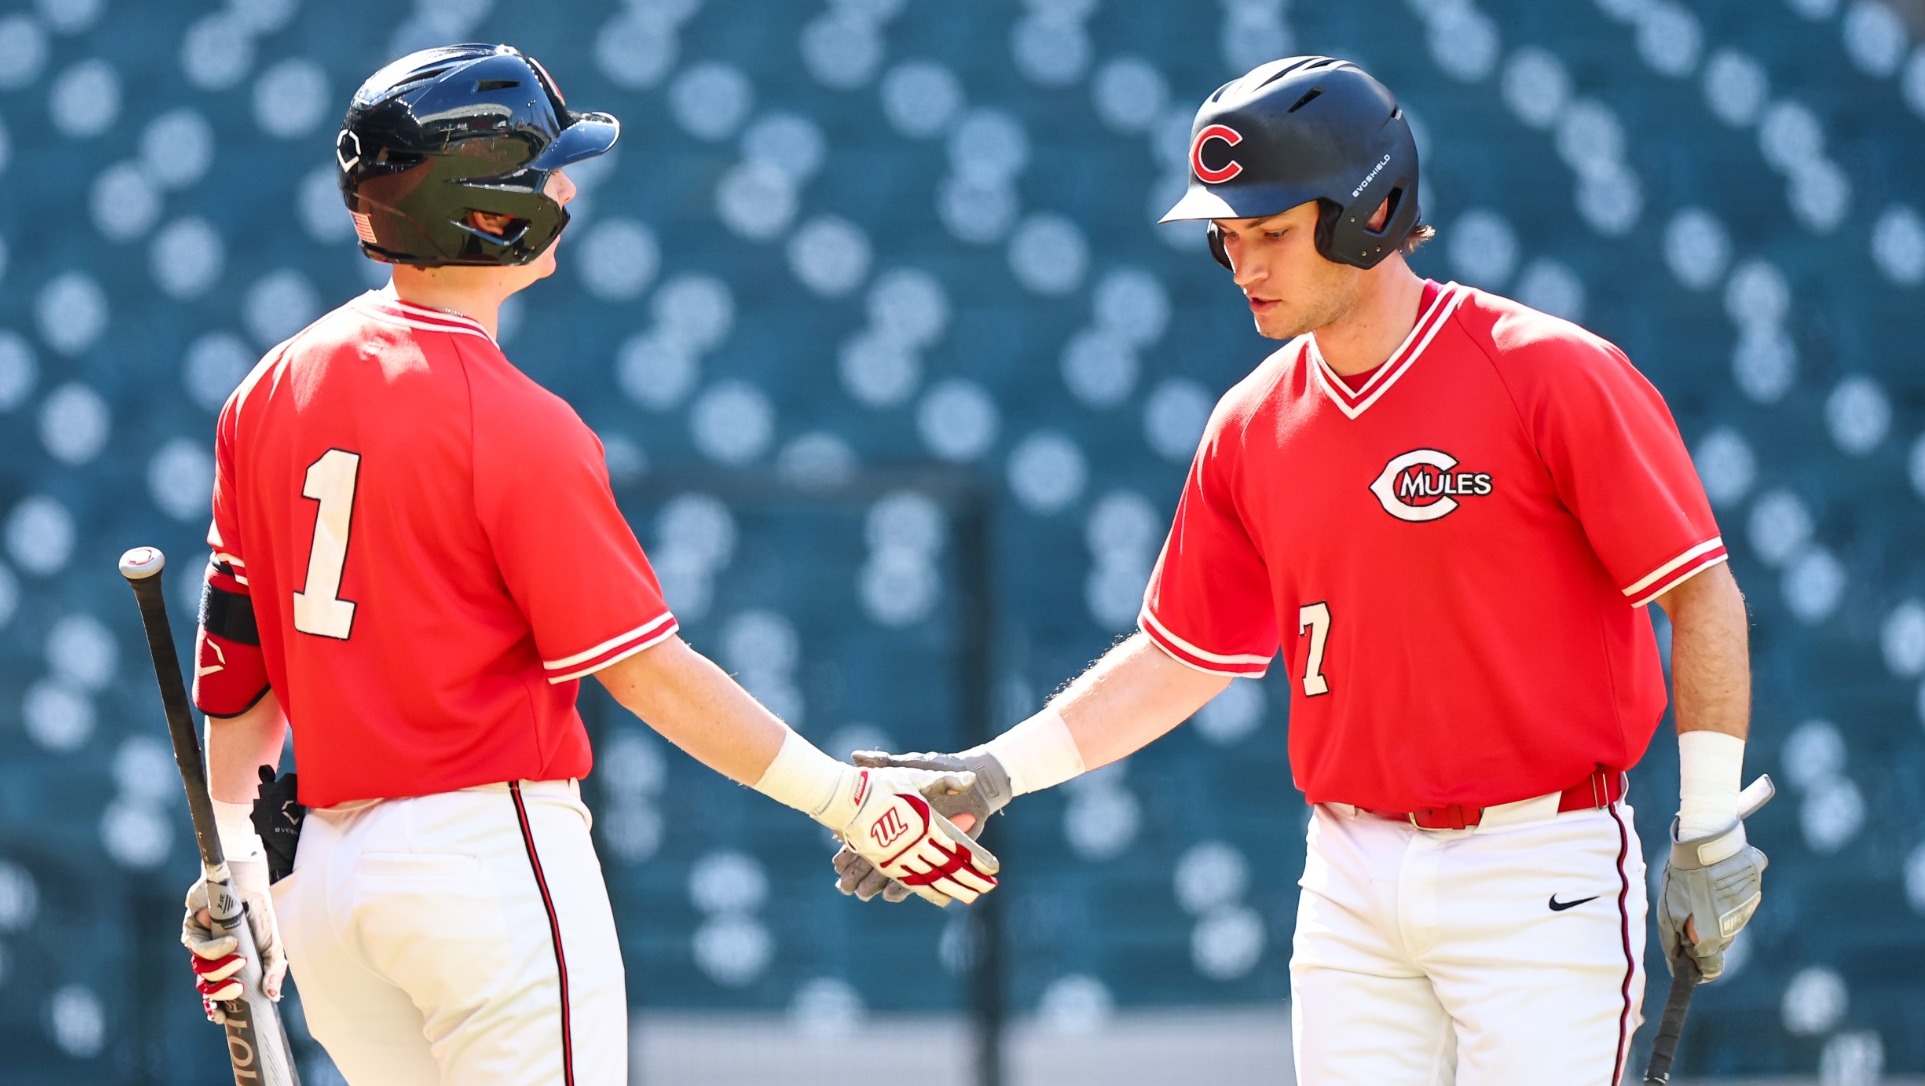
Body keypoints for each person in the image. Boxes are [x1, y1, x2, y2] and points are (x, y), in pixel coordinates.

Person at [836, 55, 1768, 1083]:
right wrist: (995, 770)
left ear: (1371, 211)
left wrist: (1708, 827)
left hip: (1537, 864)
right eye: (1225, 239)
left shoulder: (1547, 371)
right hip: (1347, 872)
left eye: (1270, 232)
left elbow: (1700, 593)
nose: (1242, 265)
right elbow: (1179, 657)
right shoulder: (1248, 422)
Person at [178, 43, 997, 1086]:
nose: (564, 190)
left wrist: (235, 859)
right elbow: (644, 672)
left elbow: (237, 668)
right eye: (545, 171)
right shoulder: (514, 421)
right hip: (482, 860)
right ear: (480, 205)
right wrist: (846, 799)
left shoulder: (266, 390)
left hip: (324, 890)